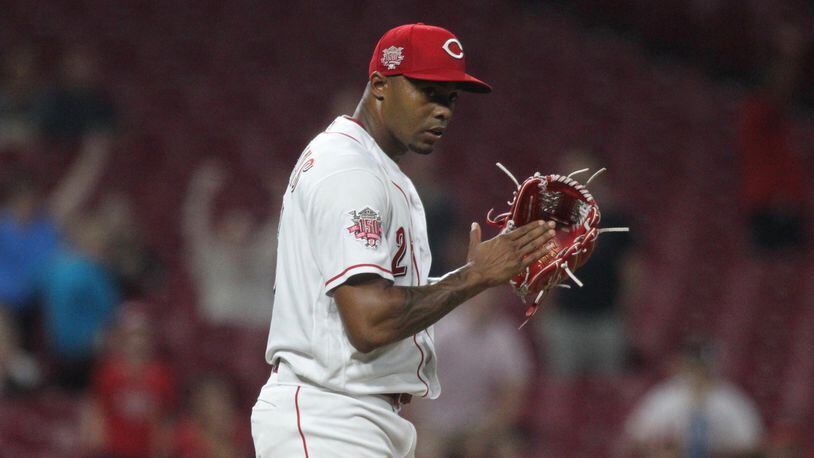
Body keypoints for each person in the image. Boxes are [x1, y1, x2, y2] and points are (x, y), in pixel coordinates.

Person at [251, 23, 556, 457]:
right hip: (329, 418)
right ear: (379, 84)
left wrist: (476, 275)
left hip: (355, 417)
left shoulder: (370, 166)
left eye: (450, 99)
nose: (443, 111)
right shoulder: (350, 170)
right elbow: (369, 321)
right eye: (428, 92)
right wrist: (474, 278)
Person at [405, 287, 533, 458]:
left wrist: (489, 429)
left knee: (507, 450)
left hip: (480, 421)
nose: (486, 301)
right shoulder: (442, 327)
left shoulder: (505, 336)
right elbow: (414, 375)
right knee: (425, 450)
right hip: (436, 421)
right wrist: (419, 422)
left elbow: (513, 393)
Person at [623, 337, 764, 457]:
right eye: (692, 365)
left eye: (701, 366)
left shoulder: (731, 400)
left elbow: (752, 444)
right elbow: (636, 436)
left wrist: (712, 450)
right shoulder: (664, 397)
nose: (697, 372)